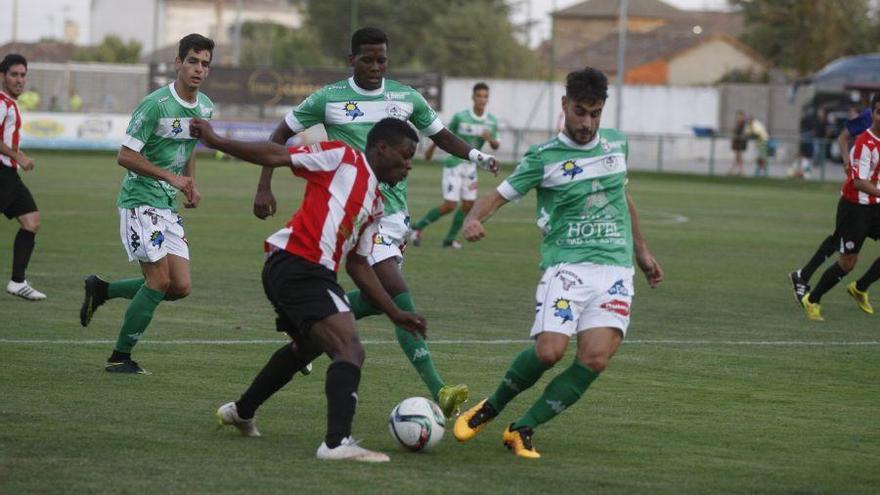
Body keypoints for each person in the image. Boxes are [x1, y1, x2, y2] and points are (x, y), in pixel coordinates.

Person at [251, 27, 497, 418]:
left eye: (381, 59)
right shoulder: (329, 98)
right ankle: (441, 389)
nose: (375, 66)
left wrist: (478, 158)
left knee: (374, 300)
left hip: (393, 215)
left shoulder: (405, 97)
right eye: (367, 59)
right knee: (395, 290)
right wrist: (265, 185)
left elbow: (443, 135)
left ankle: (305, 329)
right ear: (352, 60)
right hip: (354, 210)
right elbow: (282, 133)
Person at [453, 67, 663, 458]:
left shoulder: (616, 146)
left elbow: (622, 196)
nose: (587, 123)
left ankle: (524, 427)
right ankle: (491, 406)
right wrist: (473, 218)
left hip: (616, 271)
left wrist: (642, 251)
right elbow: (497, 196)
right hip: (567, 267)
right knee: (549, 352)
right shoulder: (544, 157)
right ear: (564, 105)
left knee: (595, 359)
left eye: (596, 113)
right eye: (580, 111)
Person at [191, 116, 426, 462]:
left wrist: (394, 313)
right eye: (405, 156)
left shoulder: (375, 204)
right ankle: (336, 443)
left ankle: (241, 411)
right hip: (298, 264)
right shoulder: (343, 157)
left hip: (307, 272)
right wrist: (217, 141)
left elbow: (358, 265)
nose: (408, 166)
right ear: (382, 148)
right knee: (350, 350)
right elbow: (278, 155)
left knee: (307, 348)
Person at [78, 34, 216, 374]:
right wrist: (169, 178)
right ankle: (119, 357)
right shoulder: (155, 104)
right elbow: (125, 155)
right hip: (139, 201)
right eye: (193, 61)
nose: (199, 69)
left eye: (205, 64)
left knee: (180, 286)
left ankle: (103, 290)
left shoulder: (205, 107)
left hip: (167, 205)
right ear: (178, 63)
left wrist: (189, 184)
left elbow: (188, 149)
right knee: (158, 282)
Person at [790, 99, 880, 314]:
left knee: (836, 243)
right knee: (842, 252)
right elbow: (843, 137)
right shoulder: (868, 118)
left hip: (874, 201)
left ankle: (858, 287)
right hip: (855, 201)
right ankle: (809, 289)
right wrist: (847, 162)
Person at [410, 82, 500, 249]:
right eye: (479, 96)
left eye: (485, 96)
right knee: (450, 205)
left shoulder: (491, 122)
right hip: (454, 164)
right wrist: (430, 150)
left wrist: (491, 140)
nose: (482, 99)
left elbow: (496, 146)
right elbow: (444, 136)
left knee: (467, 205)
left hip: (471, 167)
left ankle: (449, 239)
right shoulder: (461, 117)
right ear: (473, 97)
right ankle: (417, 228)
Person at [0, 54, 46, 300]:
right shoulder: (1, 103)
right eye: (14, 74)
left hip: (8, 174)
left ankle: (18, 282)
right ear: (2, 76)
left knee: (31, 220)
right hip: (2, 173)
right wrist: (18, 157)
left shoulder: (10, 103)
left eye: (22, 75)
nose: (19, 80)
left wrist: (17, 153)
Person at [728, 110, 747, 176]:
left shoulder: (743, 124)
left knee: (738, 157)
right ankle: (737, 171)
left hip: (740, 142)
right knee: (737, 157)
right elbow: (734, 133)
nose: (739, 118)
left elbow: (744, 133)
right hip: (736, 141)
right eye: (739, 116)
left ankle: (738, 171)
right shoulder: (737, 124)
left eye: (741, 116)